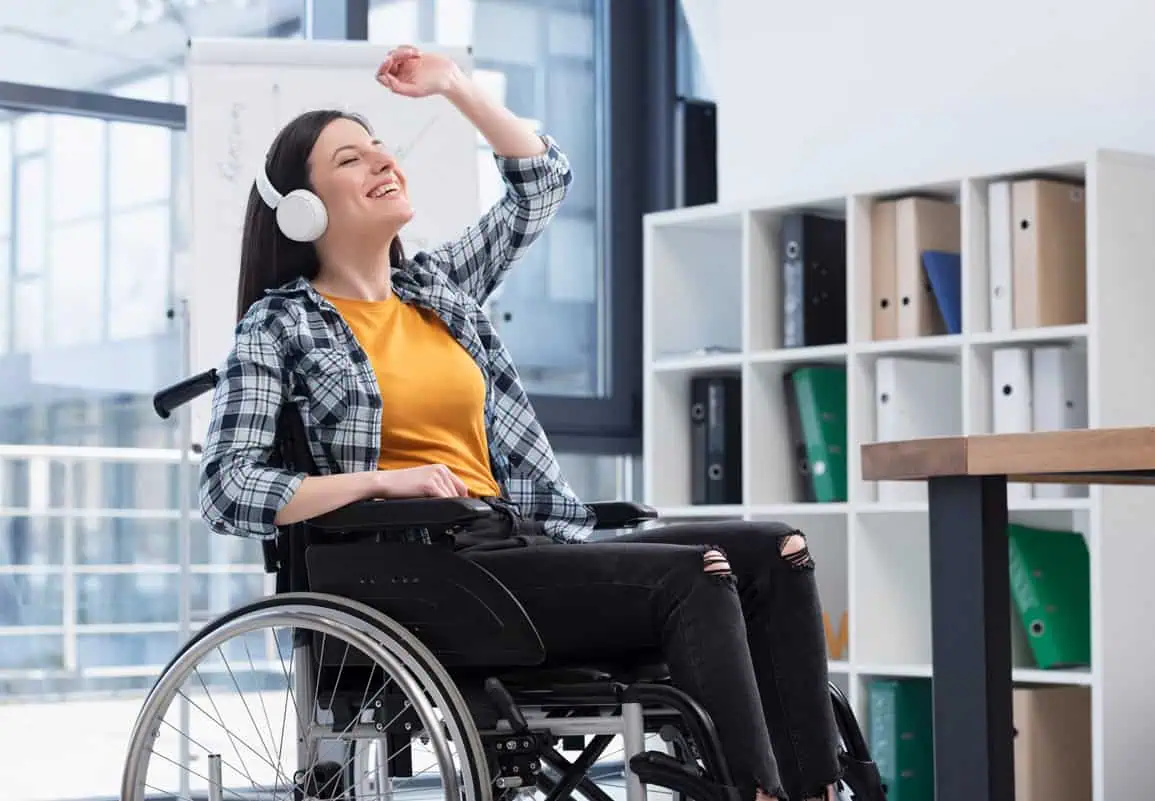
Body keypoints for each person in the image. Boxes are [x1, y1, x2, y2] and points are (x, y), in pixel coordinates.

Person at [199, 44, 841, 801]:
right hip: (422, 570)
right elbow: (228, 488)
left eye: (382, 149)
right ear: (303, 207)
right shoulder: (280, 327)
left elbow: (540, 184)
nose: (382, 163)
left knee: (776, 550)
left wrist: (453, 89)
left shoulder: (436, 289)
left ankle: (817, 790)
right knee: (692, 572)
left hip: (516, 543)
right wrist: (383, 481)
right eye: (350, 159)